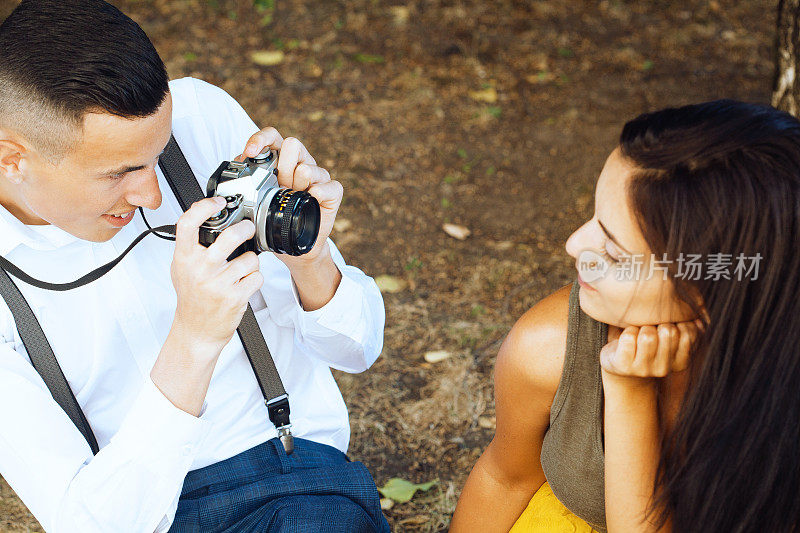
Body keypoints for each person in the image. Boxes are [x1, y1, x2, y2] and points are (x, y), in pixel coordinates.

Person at [0, 1, 389, 531]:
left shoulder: (201, 117)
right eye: (120, 173)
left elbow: (357, 348)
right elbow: (90, 523)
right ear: (11, 159)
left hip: (291, 474)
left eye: (159, 156)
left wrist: (311, 255)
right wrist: (195, 335)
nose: (152, 193)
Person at [451, 99, 800, 532]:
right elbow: (503, 479)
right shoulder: (547, 348)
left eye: (614, 253)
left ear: (716, 289)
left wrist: (629, 396)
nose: (575, 245)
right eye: (594, 217)